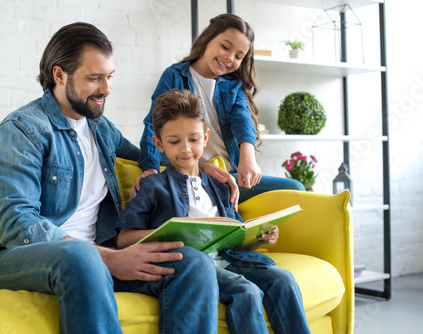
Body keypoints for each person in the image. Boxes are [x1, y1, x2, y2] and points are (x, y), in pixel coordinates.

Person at [0, 22, 219, 334]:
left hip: (90, 255)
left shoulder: (100, 128)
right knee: (81, 256)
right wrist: (109, 258)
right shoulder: (22, 131)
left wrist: (204, 165)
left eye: (109, 76)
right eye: (94, 78)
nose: (106, 88)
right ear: (59, 75)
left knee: (192, 263)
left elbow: (155, 152)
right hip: (9, 258)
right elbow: (17, 226)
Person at [117, 89, 311, 334]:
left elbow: (235, 238)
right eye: (175, 141)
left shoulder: (220, 185)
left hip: (229, 261)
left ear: (206, 137)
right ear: (159, 144)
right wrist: (163, 234)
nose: (186, 149)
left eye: (194, 139)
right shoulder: (153, 186)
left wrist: (258, 237)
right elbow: (123, 239)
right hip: (194, 270)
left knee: (284, 280)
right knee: (246, 290)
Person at [132, 13, 305, 204]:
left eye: (239, 56)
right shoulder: (174, 76)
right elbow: (153, 126)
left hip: (231, 175)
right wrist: (151, 168)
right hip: (193, 173)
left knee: (296, 189)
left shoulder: (234, 86)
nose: (229, 58)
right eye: (225, 46)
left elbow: (243, 120)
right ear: (208, 38)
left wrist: (248, 158)